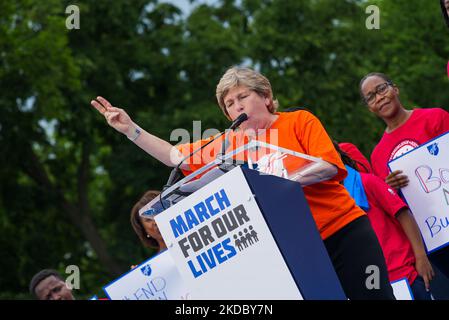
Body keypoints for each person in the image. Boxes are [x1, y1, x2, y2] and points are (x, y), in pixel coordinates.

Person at [91, 66, 395, 299]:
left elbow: (329, 166)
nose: (236, 106)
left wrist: (279, 182)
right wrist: (131, 130)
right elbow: (174, 157)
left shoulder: (299, 121)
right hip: (295, 248)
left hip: (343, 231)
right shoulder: (227, 145)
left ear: (264, 96)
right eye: (229, 103)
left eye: (242, 96)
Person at [360, 72, 449, 280]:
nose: (379, 97)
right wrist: (392, 188)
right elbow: (396, 208)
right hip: (433, 237)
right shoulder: (378, 155)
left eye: (381, 89)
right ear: (369, 108)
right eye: (371, 96)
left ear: (395, 88)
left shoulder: (435, 117)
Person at [336, 142, 435, 300]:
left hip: (407, 274)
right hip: (377, 284)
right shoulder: (330, 204)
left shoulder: (368, 182)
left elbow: (403, 214)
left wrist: (421, 257)